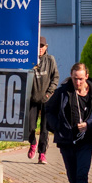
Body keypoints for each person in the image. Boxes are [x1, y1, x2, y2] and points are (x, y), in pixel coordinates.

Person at [26, 36, 58, 164]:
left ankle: (42, 153)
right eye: (37, 46)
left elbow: (55, 77)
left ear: (46, 47)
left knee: (44, 128)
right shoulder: (29, 60)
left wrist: (49, 93)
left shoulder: (50, 60)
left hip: (46, 99)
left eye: (42, 46)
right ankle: (33, 143)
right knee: (30, 126)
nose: (39, 49)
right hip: (32, 99)